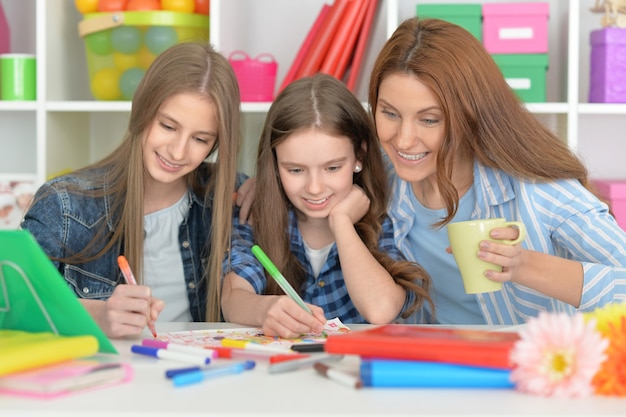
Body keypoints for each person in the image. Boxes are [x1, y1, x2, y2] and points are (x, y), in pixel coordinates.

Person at [368, 17, 626, 325]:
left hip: (519, 366)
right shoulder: (380, 180)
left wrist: (525, 265)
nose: (404, 139)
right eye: (390, 113)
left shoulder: (536, 188)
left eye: (430, 119)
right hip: (426, 365)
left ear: (471, 114)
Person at [21, 42, 245, 338]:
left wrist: (264, 191)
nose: (178, 152)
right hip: (108, 379)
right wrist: (97, 316)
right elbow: (14, 308)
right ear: (142, 109)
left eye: (200, 139)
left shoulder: (230, 197)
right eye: (167, 126)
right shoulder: (63, 205)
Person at [221, 73, 434, 338]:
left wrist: (342, 222)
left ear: (360, 156)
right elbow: (232, 298)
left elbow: (381, 309)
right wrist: (264, 309)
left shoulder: (385, 216)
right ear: (274, 163)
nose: (314, 187)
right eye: (296, 170)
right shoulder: (254, 214)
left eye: (332, 168)